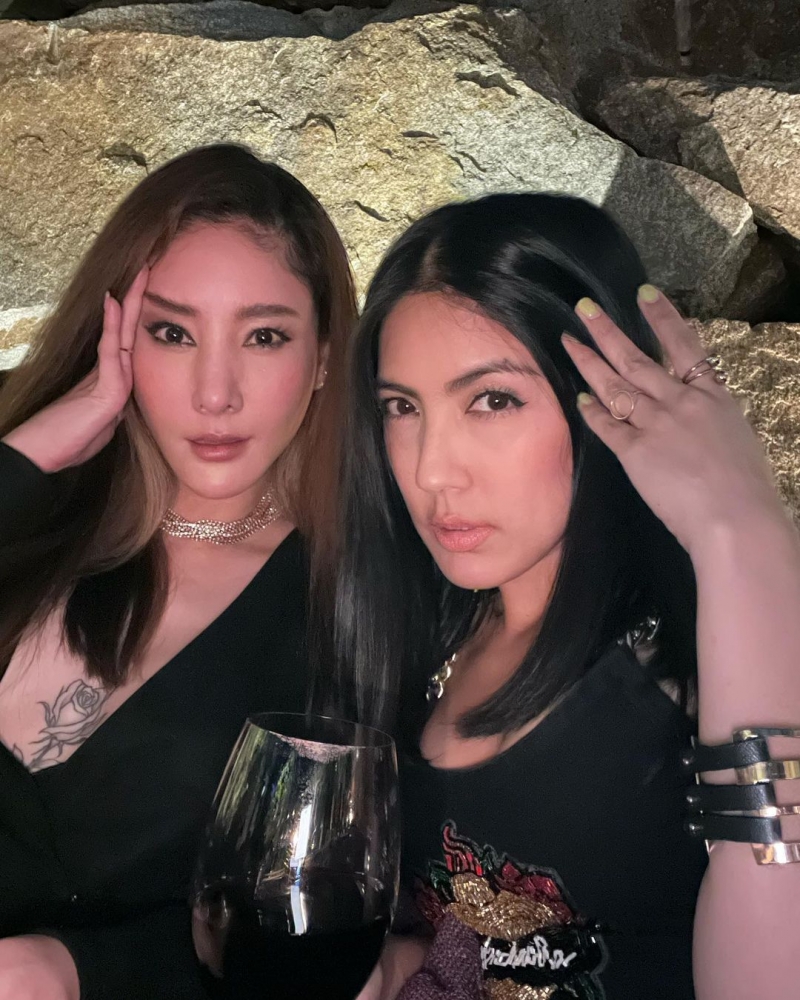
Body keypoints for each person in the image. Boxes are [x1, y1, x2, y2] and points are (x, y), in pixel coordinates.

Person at [337, 193, 800, 999]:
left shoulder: (698, 665)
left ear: (611, 403)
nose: (431, 469)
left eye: (492, 400)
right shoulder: (420, 631)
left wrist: (742, 525)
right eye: (401, 408)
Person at [0, 143, 356, 999]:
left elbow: (327, 925)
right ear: (117, 335)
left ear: (323, 357)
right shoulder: (32, 502)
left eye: (264, 336)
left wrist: (75, 970)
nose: (214, 393)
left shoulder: (344, 608)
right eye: (172, 333)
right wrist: (24, 457)